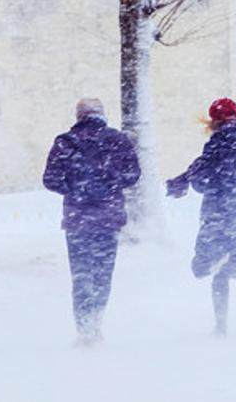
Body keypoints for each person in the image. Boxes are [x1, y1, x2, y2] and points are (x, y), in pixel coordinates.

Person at [42, 98, 140, 346]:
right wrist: (110, 185)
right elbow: (133, 175)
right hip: (108, 220)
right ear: (102, 115)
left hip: (78, 220)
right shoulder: (117, 140)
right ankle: (96, 323)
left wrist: (75, 189)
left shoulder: (66, 142)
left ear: (78, 116)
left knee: (81, 275)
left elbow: (50, 179)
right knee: (102, 274)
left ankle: (84, 330)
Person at [166, 98, 236, 338]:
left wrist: (203, 183)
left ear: (214, 122)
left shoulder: (215, 146)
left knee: (219, 270)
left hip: (219, 213)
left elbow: (204, 182)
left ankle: (221, 326)